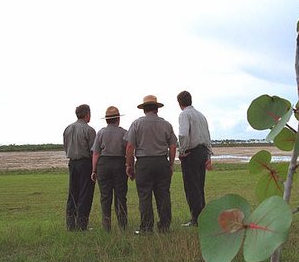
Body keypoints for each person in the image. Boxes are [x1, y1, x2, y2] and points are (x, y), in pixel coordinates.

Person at [125, 95, 177, 234]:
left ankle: (147, 228)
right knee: (164, 195)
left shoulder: (136, 124)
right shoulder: (166, 124)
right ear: (157, 109)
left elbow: (130, 147)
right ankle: (165, 226)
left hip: (143, 163)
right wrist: (171, 164)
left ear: (144, 110)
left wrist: (129, 166)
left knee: (144, 196)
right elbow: (172, 147)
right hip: (161, 162)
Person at [177, 91, 212, 227]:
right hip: (202, 152)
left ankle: (196, 219)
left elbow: (183, 134)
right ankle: (202, 217)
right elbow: (207, 137)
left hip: (191, 153)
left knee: (191, 187)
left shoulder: (184, 114)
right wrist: (208, 156)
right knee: (199, 186)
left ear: (179, 103)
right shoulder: (201, 116)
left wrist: (182, 150)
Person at [91, 106, 128, 231]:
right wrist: (129, 166)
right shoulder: (124, 132)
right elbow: (128, 151)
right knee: (121, 195)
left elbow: (96, 153)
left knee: (105, 196)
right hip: (119, 163)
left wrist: (94, 170)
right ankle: (122, 225)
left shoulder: (101, 132)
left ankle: (106, 226)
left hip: (104, 164)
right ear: (118, 118)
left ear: (106, 120)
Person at [63, 104, 96, 231]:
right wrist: (94, 169)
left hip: (72, 163)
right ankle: (82, 225)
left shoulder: (68, 129)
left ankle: (70, 224)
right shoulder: (89, 130)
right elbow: (93, 151)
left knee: (73, 193)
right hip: (85, 164)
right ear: (87, 114)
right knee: (85, 194)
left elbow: (65, 146)